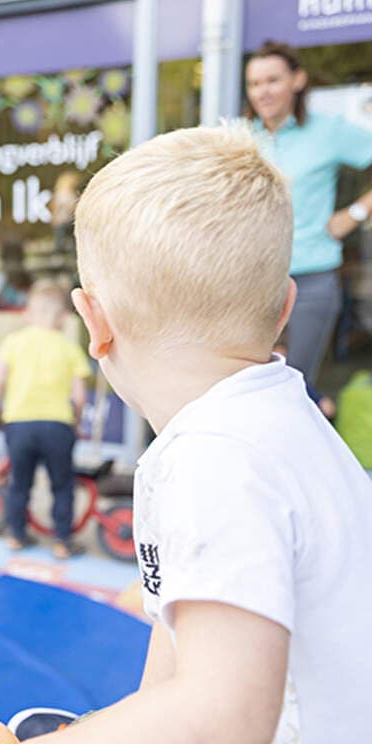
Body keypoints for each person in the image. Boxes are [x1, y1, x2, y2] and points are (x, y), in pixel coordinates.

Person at [22, 126, 372, 743]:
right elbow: (178, 652)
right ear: (286, 306)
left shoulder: (217, 461)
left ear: (93, 324)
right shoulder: (273, 415)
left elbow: (224, 715)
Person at [245, 40, 372, 385]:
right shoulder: (242, 138)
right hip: (249, 281)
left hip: (312, 280)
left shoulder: (327, 131)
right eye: (254, 84)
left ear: (297, 80)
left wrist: (356, 214)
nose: (262, 92)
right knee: (248, 384)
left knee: (296, 385)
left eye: (272, 80)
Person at [0, 280, 90, 560]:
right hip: (57, 426)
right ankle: (62, 542)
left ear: (28, 313)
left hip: (19, 424)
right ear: (63, 318)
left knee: (19, 483)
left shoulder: (13, 342)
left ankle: (17, 536)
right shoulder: (68, 348)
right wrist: (76, 422)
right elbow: (79, 397)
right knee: (62, 484)